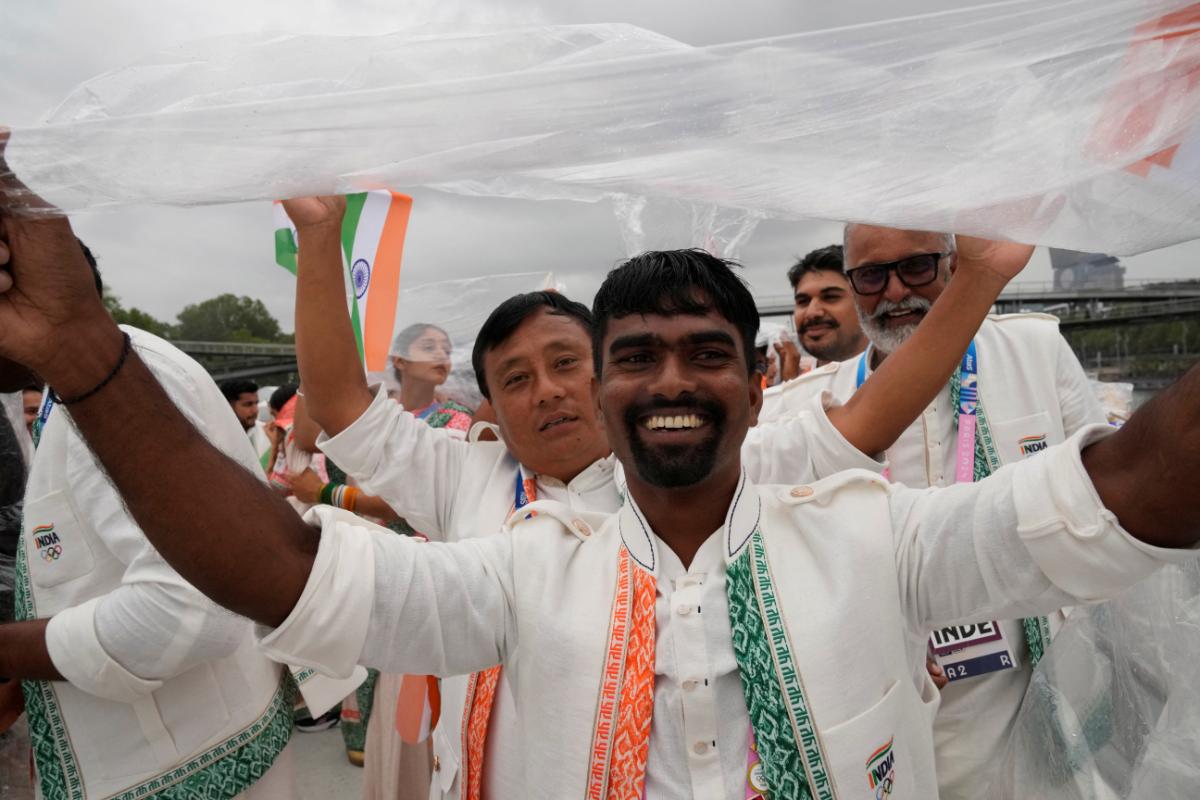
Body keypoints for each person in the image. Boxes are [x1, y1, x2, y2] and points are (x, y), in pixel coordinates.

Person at [5, 188, 1198, 799]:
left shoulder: (874, 532)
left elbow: (1138, 485)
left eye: (705, 350)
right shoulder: (519, 561)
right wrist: (91, 359)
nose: (668, 379)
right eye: (636, 354)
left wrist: (978, 279)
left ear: (762, 381)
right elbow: (277, 565)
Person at [283, 194, 1032, 799]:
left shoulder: (717, 464)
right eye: (514, 379)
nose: (546, 393)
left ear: (606, 377)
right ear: (491, 407)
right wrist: (320, 239)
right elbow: (344, 403)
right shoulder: (462, 476)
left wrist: (976, 282)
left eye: (565, 363)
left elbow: (872, 414)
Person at [760, 223, 1109, 799]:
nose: (895, 292)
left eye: (916, 267)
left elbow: (1099, 497)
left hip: (1035, 686)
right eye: (872, 276)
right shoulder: (817, 408)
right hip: (896, 697)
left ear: (953, 262)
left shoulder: (1034, 352)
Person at [0, 234, 298, 798]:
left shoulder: (116, 388)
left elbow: (187, 610)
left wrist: (10, 649)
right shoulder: (87, 383)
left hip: (187, 764)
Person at [785, 244, 867, 368]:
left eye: (830, 297)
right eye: (803, 301)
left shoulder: (902, 378)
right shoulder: (792, 382)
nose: (812, 312)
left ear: (865, 303)